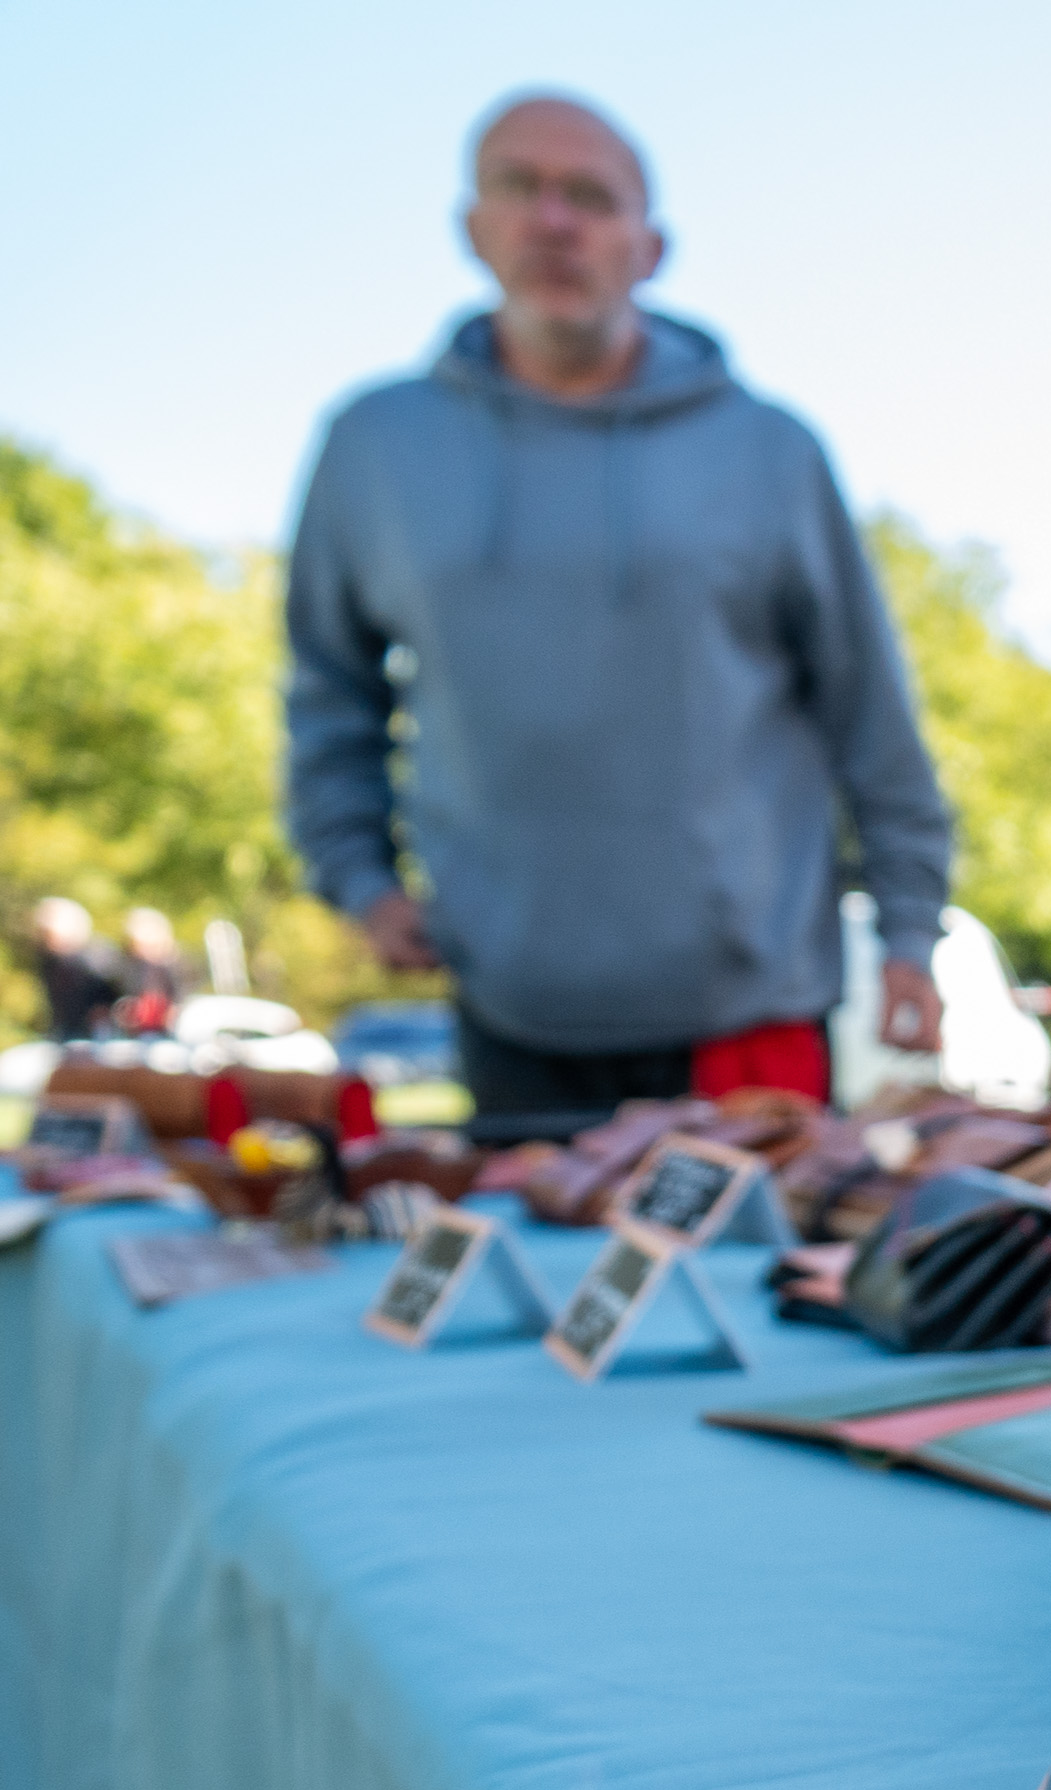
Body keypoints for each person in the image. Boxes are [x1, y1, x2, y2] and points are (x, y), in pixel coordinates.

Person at [283, 91, 950, 1124]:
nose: (555, 220)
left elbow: (869, 709)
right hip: (508, 997)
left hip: (745, 1003)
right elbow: (329, 692)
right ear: (473, 226)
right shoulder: (376, 448)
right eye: (521, 187)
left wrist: (910, 932)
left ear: (651, 245)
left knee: (755, 1281)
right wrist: (360, 877)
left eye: (590, 197)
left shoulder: (768, 450)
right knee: (540, 1280)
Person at [21, 900, 119, 1043]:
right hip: (64, 1034)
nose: (47, 940)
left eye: (49, 934)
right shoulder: (50, 961)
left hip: (98, 1038)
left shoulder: (98, 958)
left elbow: (108, 1002)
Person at [113, 908, 187, 1038]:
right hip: (134, 1035)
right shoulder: (125, 969)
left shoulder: (177, 968)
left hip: (169, 1034)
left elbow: (181, 1000)